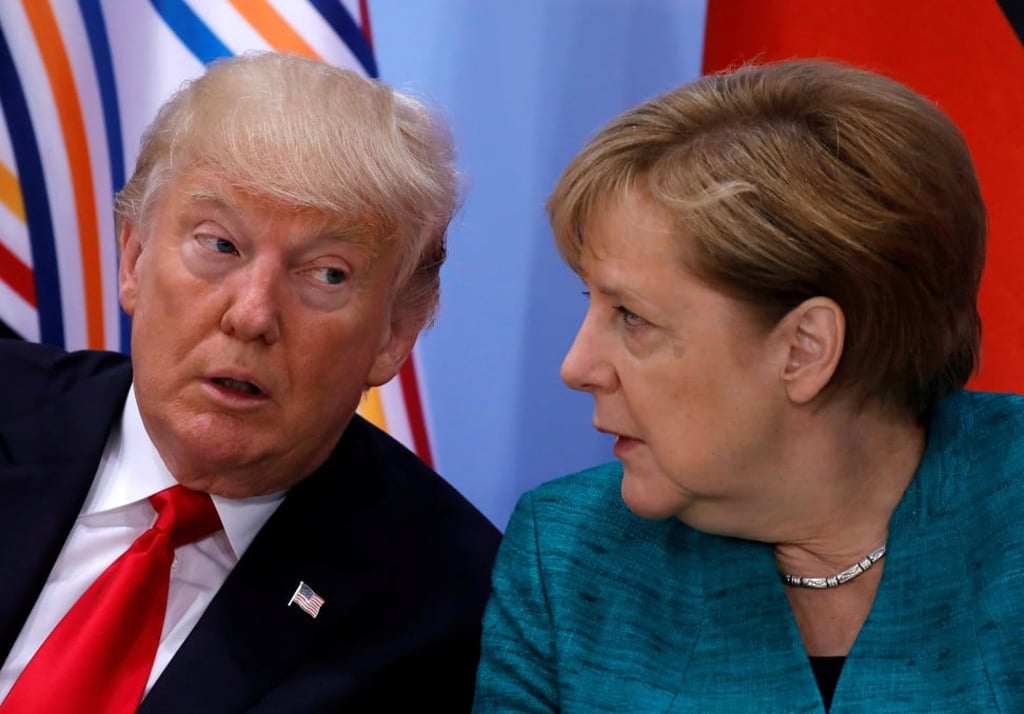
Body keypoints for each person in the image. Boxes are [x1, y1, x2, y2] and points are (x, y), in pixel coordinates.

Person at [473, 58, 1024, 712]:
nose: (576, 366)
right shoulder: (566, 557)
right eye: (590, 302)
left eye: (632, 316)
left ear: (804, 349)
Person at [0, 51, 500, 713]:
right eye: (219, 244)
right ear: (134, 257)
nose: (253, 315)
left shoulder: (451, 612)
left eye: (327, 274)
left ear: (395, 334)